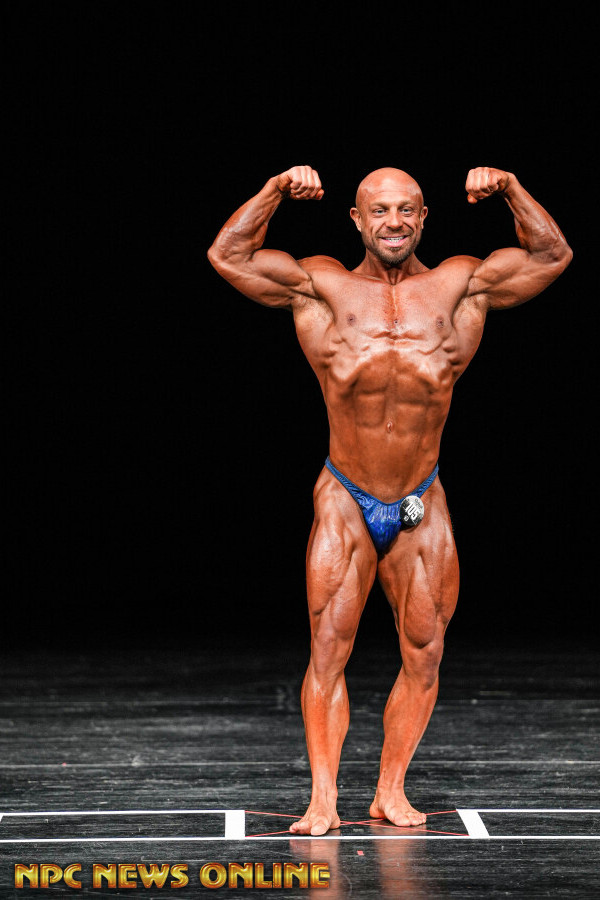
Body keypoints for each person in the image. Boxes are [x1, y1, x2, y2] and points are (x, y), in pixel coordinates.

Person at [207, 164, 572, 836]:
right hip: (346, 495)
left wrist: (512, 188)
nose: (394, 222)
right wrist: (275, 190)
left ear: (424, 217)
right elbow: (228, 255)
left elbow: (552, 256)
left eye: (407, 209)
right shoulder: (322, 286)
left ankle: (390, 792)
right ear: (357, 219)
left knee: (425, 650)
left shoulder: (461, 285)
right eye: (380, 211)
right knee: (328, 648)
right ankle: (322, 799)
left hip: (420, 498)